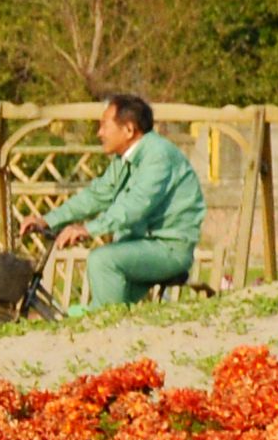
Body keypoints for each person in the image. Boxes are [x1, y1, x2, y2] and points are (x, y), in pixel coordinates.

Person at [44, 92, 208, 309]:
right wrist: (47, 220)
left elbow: (134, 207)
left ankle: (108, 332)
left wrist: (88, 229)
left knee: (103, 260)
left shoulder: (157, 155)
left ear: (129, 129)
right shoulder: (124, 160)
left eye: (104, 125)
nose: (99, 133)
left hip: (168, 249)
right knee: (93, 309)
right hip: (140, 244)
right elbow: (96, 196)